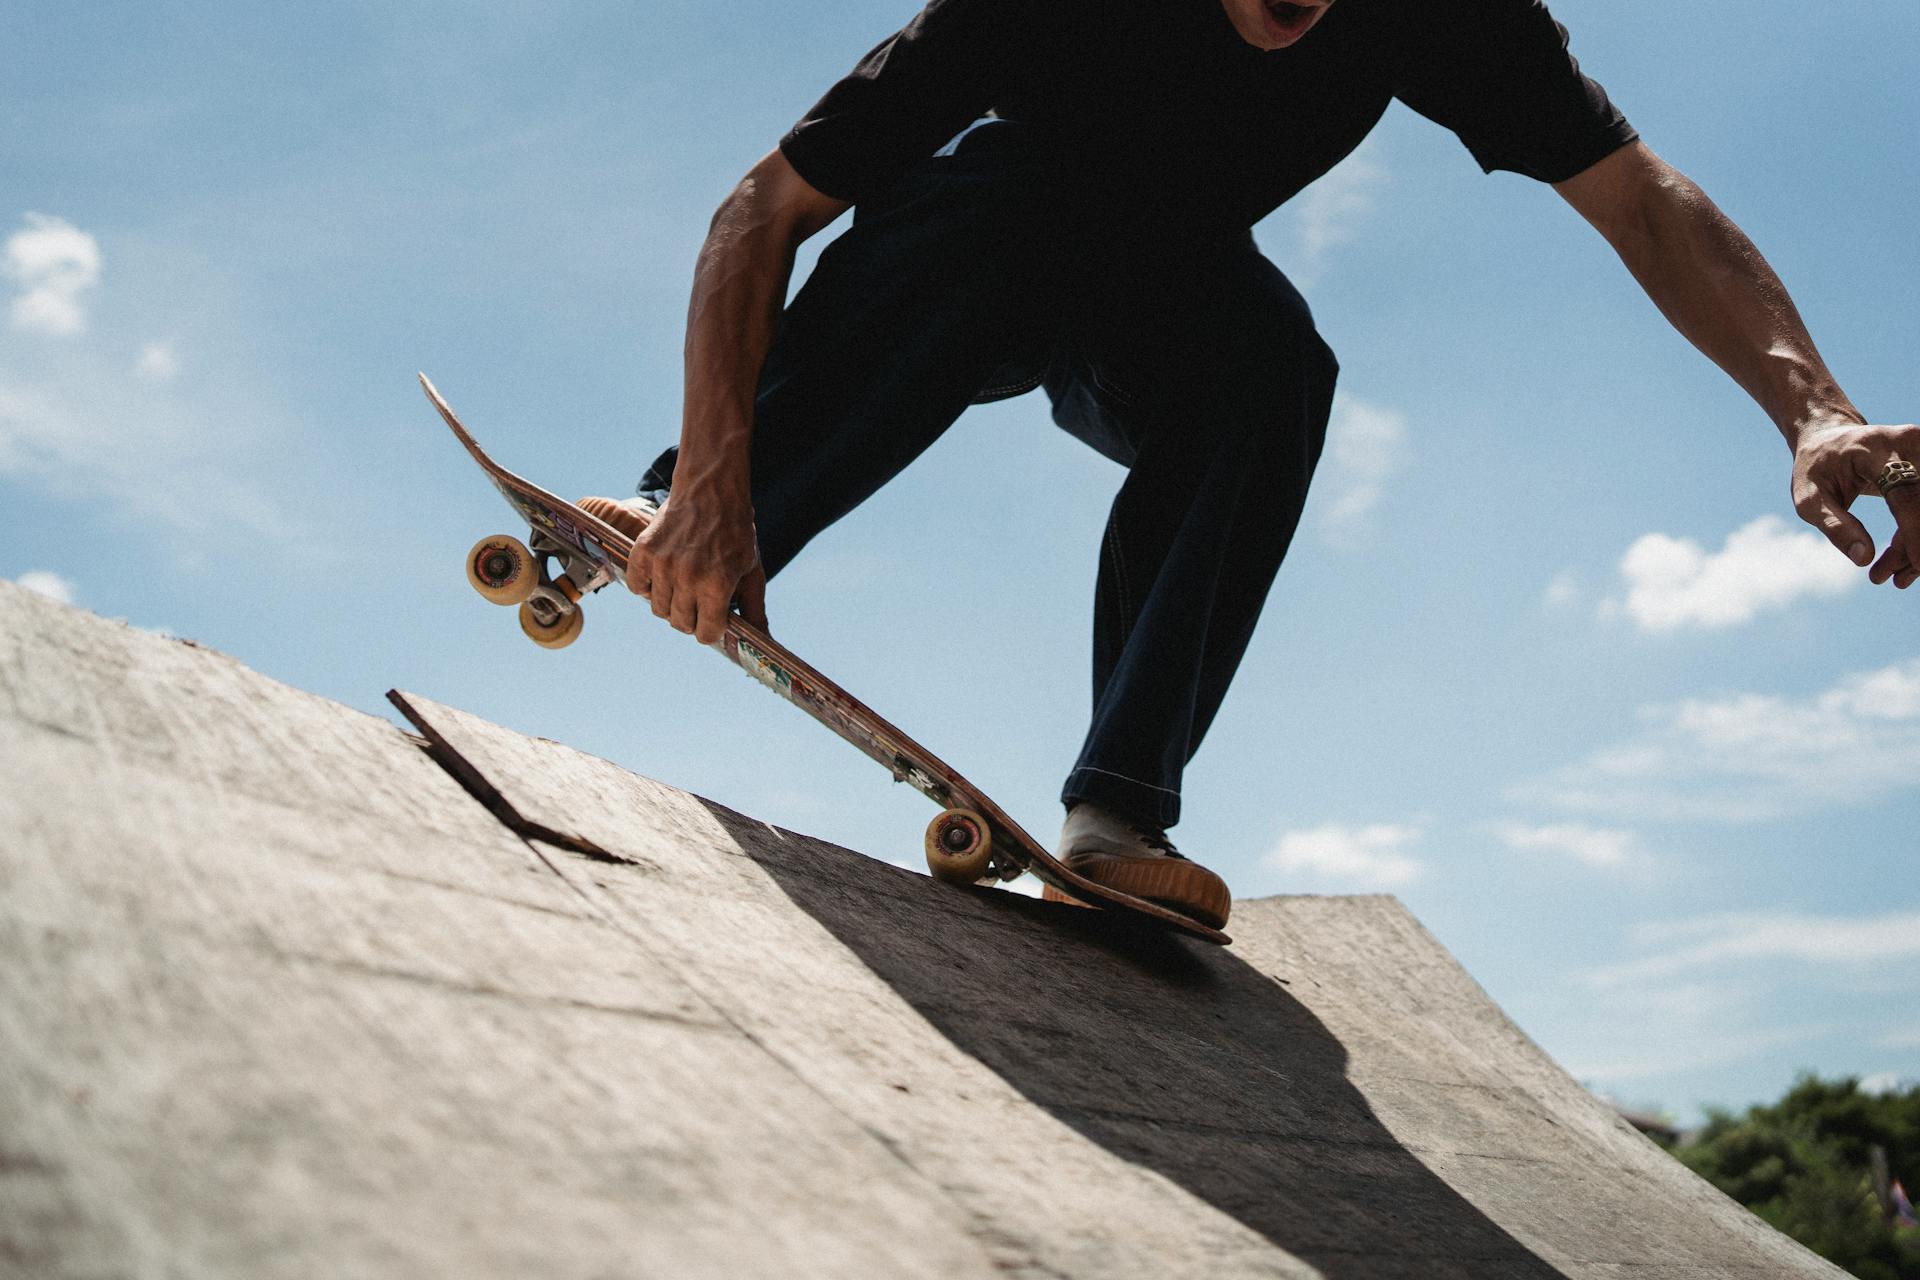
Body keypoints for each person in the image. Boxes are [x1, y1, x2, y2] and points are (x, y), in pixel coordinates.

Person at [582, 0, 1919, 930]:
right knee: (998, 209)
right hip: (981, 259)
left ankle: (1119, 808)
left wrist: (1813, 411)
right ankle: (678, 510)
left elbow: (1635, 196)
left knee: (1273, 365)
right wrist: (705, 483)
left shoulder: (1446, 11)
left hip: (1157, 310)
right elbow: (764, 209)